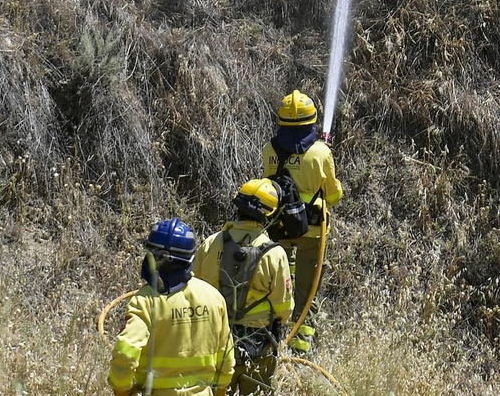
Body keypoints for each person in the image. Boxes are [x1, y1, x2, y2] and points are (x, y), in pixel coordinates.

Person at [110, 217, 236, 396]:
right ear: (190, 258)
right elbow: (226, 358)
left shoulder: (145, 301)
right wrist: (220, 390)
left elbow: (125, 354)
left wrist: (121, 390)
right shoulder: (214, 297)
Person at [261, 90, 344, 354]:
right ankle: (300, 345)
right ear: (312, 122)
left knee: (276, 283)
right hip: (312, 232)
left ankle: (270, 337)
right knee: (308, 290)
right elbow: (334, 196)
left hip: (278, 228)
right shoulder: (321, 152)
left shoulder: (269, 150)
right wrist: (326, 157)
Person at [193, 180, 293, 394]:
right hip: (258, 344)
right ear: (268, 214)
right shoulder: (274, 254)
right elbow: (283, 308)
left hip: (214, 341)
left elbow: (193, 288)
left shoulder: (211, 244)